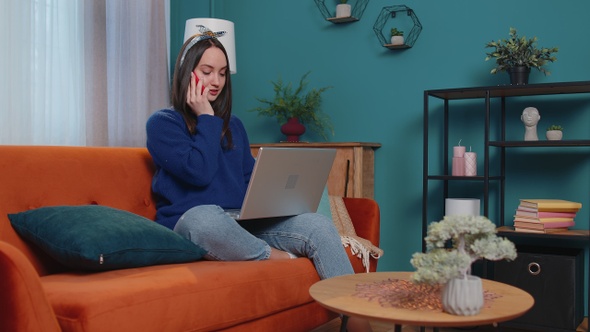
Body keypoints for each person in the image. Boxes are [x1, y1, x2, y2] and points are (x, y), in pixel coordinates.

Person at [145, 26, 372, 332]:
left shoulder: (234, 126)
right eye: (207, 71)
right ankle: (276, 258)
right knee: (204, 219)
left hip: (243, 224)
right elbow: (198, 173)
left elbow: (251, 180)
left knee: (316, 224)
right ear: (187, 73)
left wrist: (277, 193)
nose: (216, 82)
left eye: (223, 73)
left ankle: (356, 319)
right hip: (194, 224)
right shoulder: (163, 123)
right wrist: (207, 119)